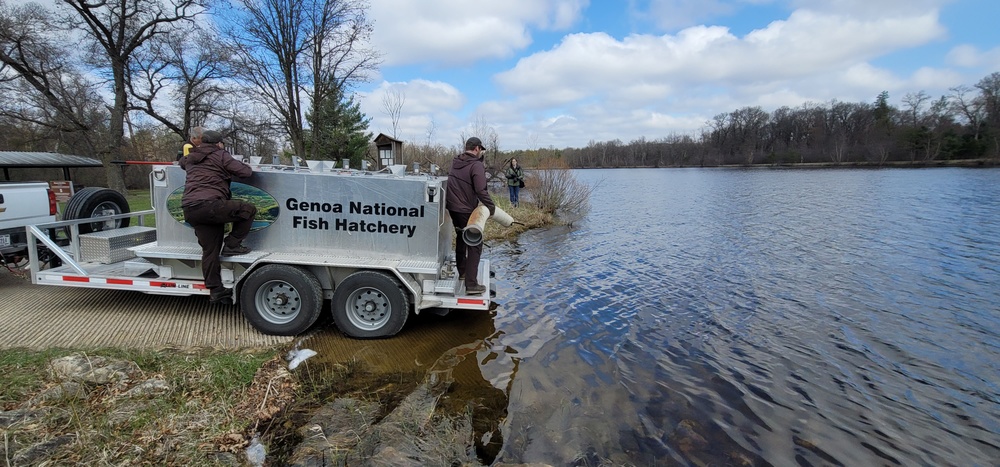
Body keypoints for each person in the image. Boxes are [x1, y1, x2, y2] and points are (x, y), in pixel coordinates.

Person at [180, 127, 257, 305]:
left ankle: (216, 290)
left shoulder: (190, 158)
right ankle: (232, 244)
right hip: (211, 205)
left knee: (210, 251)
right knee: (248, 210)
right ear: (218, 143)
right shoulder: (221, 155)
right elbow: (246, 172)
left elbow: (182, 163)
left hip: (191, 209)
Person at [446, 137, 496, 295]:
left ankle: (463, 272)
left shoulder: (456, 161)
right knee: (475, 243)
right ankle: (472, 284)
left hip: (452, 207)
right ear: (477, 148)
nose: (480, 152)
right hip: (466, 208)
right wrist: (491, 207)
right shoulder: (476, 165)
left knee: (461, 236)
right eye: (480, 149)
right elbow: (481, 190)